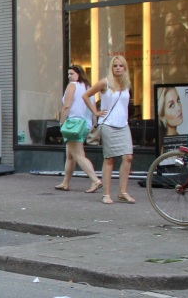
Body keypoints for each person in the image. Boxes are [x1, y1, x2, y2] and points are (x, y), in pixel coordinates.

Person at [82, 54, 134, 204]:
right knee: (109, 159)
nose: (118, 68)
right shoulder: (105, 82)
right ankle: (106, 194)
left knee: (128, 157)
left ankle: (123, 192)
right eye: (115, 66)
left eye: (121, 66)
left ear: (125, 68)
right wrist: (95, 112)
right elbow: (86, 95)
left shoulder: (126, 84)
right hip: (108, 124)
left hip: (123, 124)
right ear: (111, 68)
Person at [54, 64, 101, 193]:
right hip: (84, 124)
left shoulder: (72, 86)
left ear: (79, 74)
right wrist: (94, 123)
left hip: (73, 124)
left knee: (79, 156)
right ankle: (65, 182)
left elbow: (66, 106)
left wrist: (61, 122)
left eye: (72, 74)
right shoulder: (88, 88)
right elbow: (93, 108)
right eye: (68, 74)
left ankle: (95, 180)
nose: (69, 76)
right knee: (70, 155)